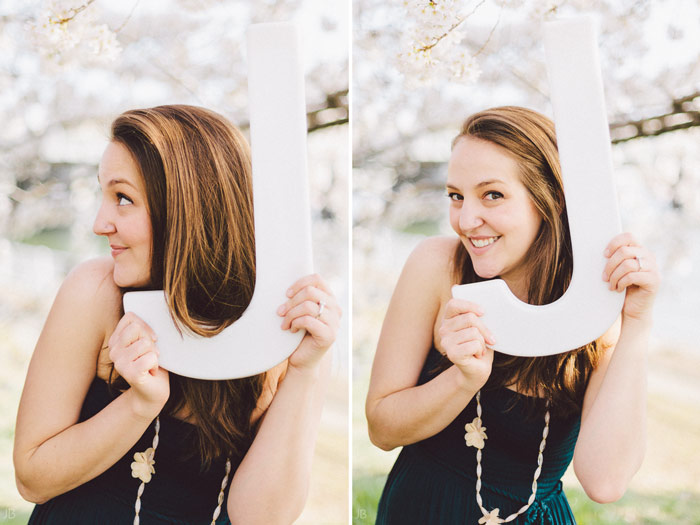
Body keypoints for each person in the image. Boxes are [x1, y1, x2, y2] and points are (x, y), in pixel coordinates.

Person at [13, 105, 341, 525]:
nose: (100, 223)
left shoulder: (288, 325)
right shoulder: (95, 292)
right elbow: (33, 478)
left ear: (188, 207)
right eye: (104, 195)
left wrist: (306, 372)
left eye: (123, 199)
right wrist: (137, 406)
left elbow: (259, 517)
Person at [366, 106, 659, 524]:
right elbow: (382, 429)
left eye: (493, 194)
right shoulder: (436, 266)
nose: (467, 220)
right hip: (423, 509)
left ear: (552, 199)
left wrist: (638, 324)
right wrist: (461, 379)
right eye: (455, 196)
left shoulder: (595, 305)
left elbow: (605, 483)